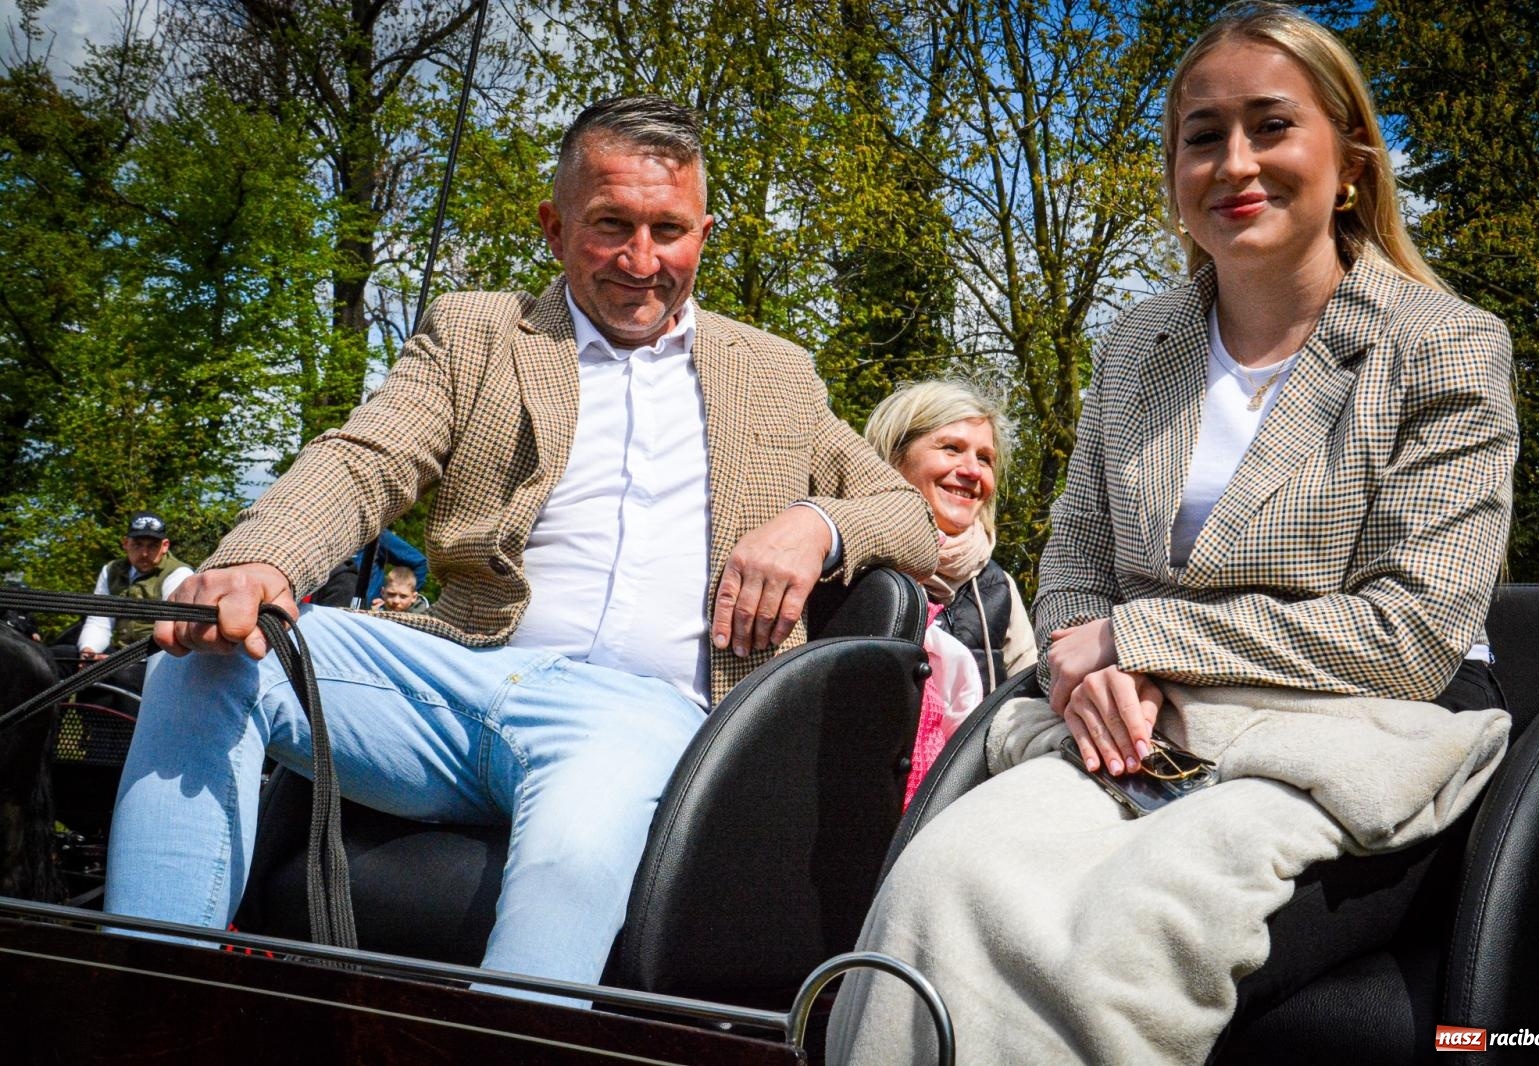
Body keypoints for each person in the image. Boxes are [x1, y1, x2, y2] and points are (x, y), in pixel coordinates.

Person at [102, 95, 938, 998]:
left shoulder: (775, 373)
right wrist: (262, 562)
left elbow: (911, 517)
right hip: (450, 681)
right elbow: (363, 460)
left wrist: (821, 523)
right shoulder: (477, 335)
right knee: (207, 656)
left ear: (705, 233)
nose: (641, 261)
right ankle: (149, 1003)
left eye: (669, 230)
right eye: (610, 225)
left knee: (573, 854)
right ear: (553, 226)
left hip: (638, 714)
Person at [828, 4, 1517, 1062]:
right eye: (1203, 135)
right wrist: (1078, 658)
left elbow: (1411, 634)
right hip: (1141, 719)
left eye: (1271, 125)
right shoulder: (1139, 343)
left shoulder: (1444, 348)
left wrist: (1138, 642)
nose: (1234, 161)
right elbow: (1075, 563)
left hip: (1368, 725)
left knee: (1117, 945)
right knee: (933, 886)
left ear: (1350, 164)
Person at [862, 379, 1036, 799]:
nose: (973, 471)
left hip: (962, 803)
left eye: (985, 458)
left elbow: (1030, 698)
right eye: (951, 449)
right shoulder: (849, 563)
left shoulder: (997, 587)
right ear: (895, 456)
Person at [77, 512, 194, 661]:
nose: (144, 553)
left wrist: (115, 663)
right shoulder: (111, 570)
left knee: (118, 677)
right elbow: (99, 620)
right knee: (61, 655)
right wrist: (88, 651)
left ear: (165, 546)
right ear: (126, 543)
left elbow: (171, 635)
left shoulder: (179, 574)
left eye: (152, 546)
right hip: (116, 654)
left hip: (156, 660)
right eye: (137, 545)